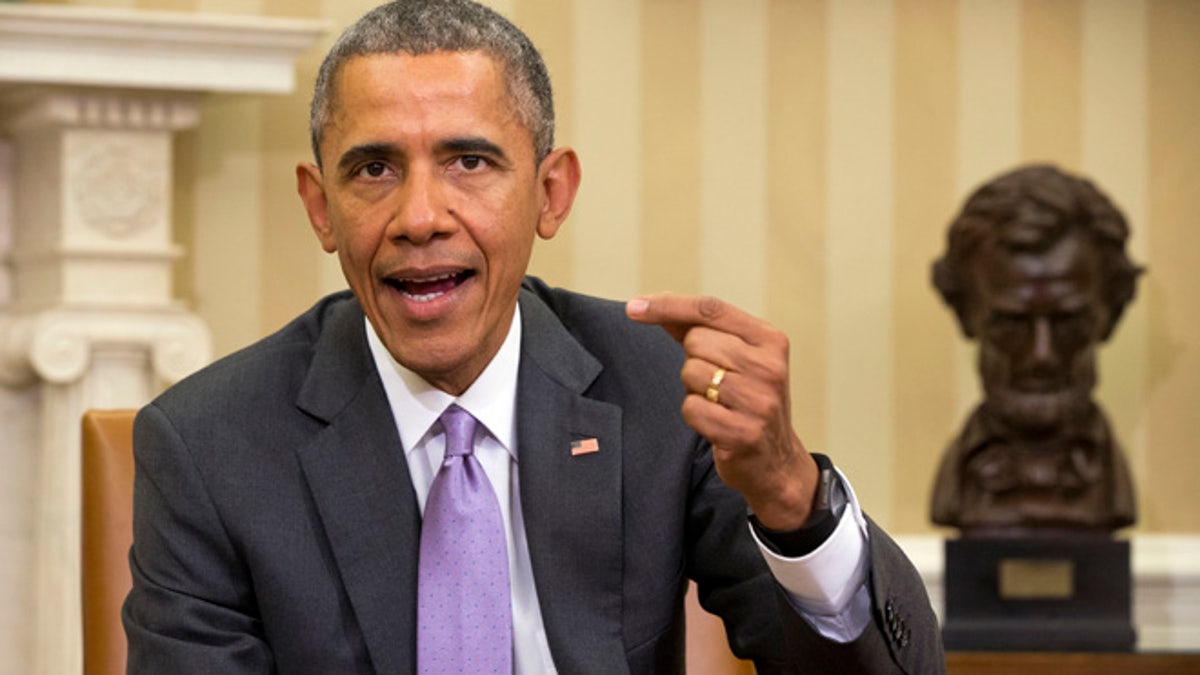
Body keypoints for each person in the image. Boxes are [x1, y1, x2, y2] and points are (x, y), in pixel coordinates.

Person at [123, 1, 941, 672]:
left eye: (468, 162)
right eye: (374, 169)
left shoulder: (658, 388)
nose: (418, 217)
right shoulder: (208, 446)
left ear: (551, 194)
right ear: (319, 207)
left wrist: (793, 494)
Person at [930, 164, 1142, 535]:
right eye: (1012, 324)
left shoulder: (1109, 479)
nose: (1041, 355)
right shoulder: (959, 483)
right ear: (966, 314)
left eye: (1068, 324)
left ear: (1110, 316)